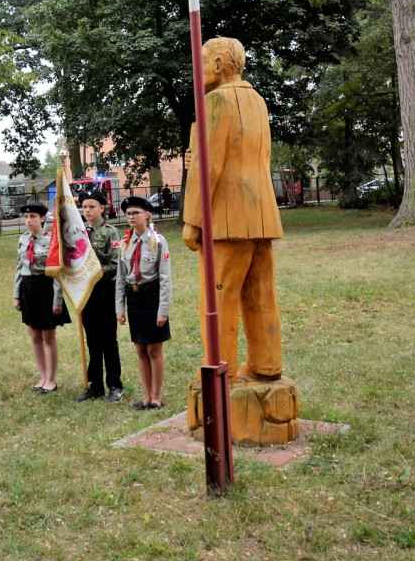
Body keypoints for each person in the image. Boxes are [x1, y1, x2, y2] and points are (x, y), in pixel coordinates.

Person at [182, 36, 284, 381]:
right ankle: (267, 364)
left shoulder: (215, 101)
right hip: (261, 214)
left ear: (218, 65)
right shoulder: (258, 101)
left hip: (227, 217)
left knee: (219, 297)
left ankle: (219, 371)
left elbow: (208, 167)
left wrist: (193, 221)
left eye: (201, 61)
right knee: (260, 293)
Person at [116, 196, 172, 410]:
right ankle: (146, 396)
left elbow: (165, 278)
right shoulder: (125, 243)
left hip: (152, 296)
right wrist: (119, 308)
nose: (131, 217)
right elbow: (121, 279)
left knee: (154, 350)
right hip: (134, 297)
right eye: (128, 213)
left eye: (135, 213)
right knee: (140, 348)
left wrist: (163, 310)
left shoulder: (157, 241)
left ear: (147, 214)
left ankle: (157, 396)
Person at [13, 202, 70, 393]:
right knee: (34, 334)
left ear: (43, 218)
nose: (29, 221)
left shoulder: (52, 240)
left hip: (46, 288)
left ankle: (52, 380)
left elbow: (57, 272)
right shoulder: (23, 239)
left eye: (33, 217)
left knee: (48, 335)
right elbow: (19, 268)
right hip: (28, 288)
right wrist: (16, 295)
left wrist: (57, 299)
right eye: (26, 217)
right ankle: (43, 377)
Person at [75, 192, 124, 403]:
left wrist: (91, 272)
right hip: (86, 293)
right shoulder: (78, 233)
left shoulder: (110, 233)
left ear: (102, 208)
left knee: (108, 341)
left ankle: (115, 385)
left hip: (105, 290)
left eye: (92, 206)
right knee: (92, 342)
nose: (87, 210)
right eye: (84, 206)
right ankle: (95, 386)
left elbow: (115, 265)